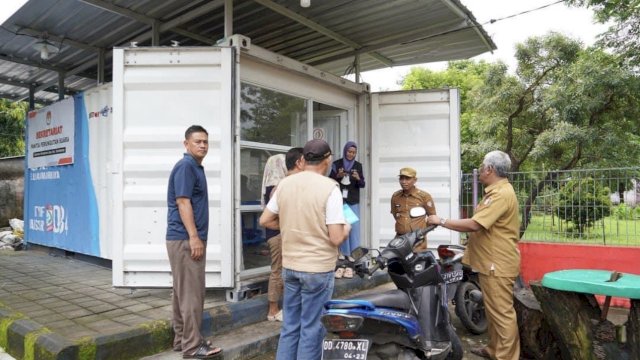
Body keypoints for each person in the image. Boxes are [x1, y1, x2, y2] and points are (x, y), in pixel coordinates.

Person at [259, 139, 351, 360]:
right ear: (328, 159)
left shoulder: (285, 184)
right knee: (311, 328)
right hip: (317, 269)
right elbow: (336, 238)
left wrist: (291, 225)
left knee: (290, 326)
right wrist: (347, 226)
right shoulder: (330, 187)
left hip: (290, 267)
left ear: (303, 159)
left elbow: (265, 219)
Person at [426, 150, 520, 360]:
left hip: (498, 263)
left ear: (490, 169)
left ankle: (506, 356)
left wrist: (440, 221)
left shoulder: (500, 194)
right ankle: (494, 349)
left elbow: (475, 224)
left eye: (482, 165)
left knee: (502, 314)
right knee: (494, 311)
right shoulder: (497, 191)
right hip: (492, 262)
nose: (479, 170)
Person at [166, 125, 222, 359]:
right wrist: (194, 237)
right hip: (185, 239)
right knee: (192, 295)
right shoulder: (186, 166)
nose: (202, 145)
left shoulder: (195, 167)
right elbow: (183, 202)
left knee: (182, 294)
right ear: (186, 143)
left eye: (205, 142)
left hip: (182, 239)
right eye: (198, 141)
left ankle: (182, 340)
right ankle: (192, 347)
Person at [261, 148, 304, 322]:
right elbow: (271, 216)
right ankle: (273, 310)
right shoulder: (277, 186)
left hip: (278, 233)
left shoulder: (275, 185)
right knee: (278, 271)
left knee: (282, 271)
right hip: (277, 234)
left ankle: (282, 308)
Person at [329, 141, 365, 279]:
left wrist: (358, 178)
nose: (351, 154)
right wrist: (337, 176)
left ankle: (354, 254)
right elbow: (330, 180)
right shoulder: (337, 164)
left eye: (353, 152)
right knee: (343, 227)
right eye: (349, 152)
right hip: (340, 201)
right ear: (345, 151)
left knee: (354, 227)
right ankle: (344, 253)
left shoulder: (358, 166)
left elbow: (362, 184)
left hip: (353, 200)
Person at [390, 167, 436, 251]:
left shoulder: (424, 196)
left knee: (417, 263)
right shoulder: (395, 196)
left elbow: (433, 219)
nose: (404, 182)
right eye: (401, 178)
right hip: (399, 239)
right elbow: (395, 215)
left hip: (417, 241)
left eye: (407, 178)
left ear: (415, 180)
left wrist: (422, 233)